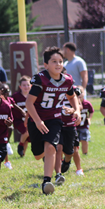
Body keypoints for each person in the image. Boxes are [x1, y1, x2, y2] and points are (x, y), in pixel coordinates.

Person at [25, 46, 81, 196]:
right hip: (37, 118)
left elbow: (72, 96)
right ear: (46, 65)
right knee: (38, 155)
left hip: (55, 118)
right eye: (54, 61)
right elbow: (29, 103)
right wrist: (37, 121)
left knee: (51, 148)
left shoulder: (67, 80)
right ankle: (47, 171)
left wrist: (77, 110)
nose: (58, 64)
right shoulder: (40, 79)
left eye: (61, 61)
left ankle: (46, 181)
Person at [53, 81, 84, 186]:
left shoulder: (73, 89)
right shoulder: (52, 89)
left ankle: (66, 162)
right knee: (58, 148)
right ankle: (58, 174)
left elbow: (80, 106)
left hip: (70, 126)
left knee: (70, 152)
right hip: (58, 124)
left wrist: (73, 110)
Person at [73, 87, 93, 176]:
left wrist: (89, 118)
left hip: (84, 126)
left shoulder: (87, 103)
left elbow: (91, 111)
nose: (79, 95)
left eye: (81, 93)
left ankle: (85, 153)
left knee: (84, 140)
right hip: (75, 127)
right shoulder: (73, 104)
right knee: (75, 142)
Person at [11, 76, 31, 157]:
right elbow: (10, 104)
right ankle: (20, 145)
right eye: (24, 85)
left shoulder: (33, 96)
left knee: (26, 137)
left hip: (30, 120)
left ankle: (22, 154)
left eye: (27, 85)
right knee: (26, 132)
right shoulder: (16, 96)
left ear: (31, 86)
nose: (26, 87)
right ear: (20, 87)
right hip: (19, 120)